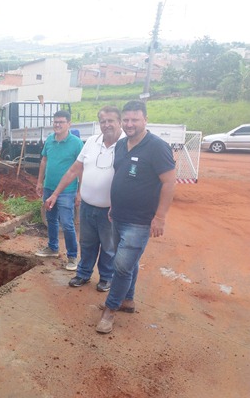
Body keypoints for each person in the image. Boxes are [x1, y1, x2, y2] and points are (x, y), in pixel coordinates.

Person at [96, 100, 176, 334]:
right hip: (118, 215)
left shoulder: (157, 147)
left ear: (145, 120)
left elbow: (169, 182)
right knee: (127, 263)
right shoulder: (121, 145)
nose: (130, 124)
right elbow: (120, 176)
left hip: (140, 221)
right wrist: (113, 205)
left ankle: (110, 310)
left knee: (121, 266)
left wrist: (160, 217)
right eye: (127, 120)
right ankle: (127, 300)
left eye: (135, 120)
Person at [45, 106, 125, 291]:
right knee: (87, 243)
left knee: (108, 246)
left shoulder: (126, 145)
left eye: (110, 120)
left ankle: (106, 277)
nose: (106, 125)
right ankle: (83, 274)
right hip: (88, 206)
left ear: (119, 122)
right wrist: (55, 194)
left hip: (110, 210)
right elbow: (74, 170)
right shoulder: (91, 142)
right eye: (103, 121)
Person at [35, 110, 83, 270]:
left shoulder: (76, 143)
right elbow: (44, 161)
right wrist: (39, 182)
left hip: (67, 191)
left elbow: (81, 169)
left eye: (61, 122)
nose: (57, 125)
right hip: (49, 187)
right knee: (51, 219)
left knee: (68, 223)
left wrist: (79, 192)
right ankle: (53, 248)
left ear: (69, 124)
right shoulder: (49, 139)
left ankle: (72, 257)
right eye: (55, 122)